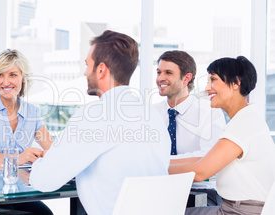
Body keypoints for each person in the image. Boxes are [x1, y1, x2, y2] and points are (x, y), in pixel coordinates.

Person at [29, 30, 171, 215]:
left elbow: (44, 180)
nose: (85, 72)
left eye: (88, 65)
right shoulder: (153, 116)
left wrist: (38, 163)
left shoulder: (93, 115)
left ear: (101, 69)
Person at [169, 56, 275, 215]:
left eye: (213, 80)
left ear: (236, 83)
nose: (207, 88)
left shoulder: (244, 124)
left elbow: (201, 172)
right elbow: (205, 159)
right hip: (232, 208)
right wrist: (160, 162)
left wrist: (157, 168)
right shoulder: (244, 120)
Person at [0, 49, 54, 214]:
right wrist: (14, 160)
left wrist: (42, 156)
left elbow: (52, 149)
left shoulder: (32, 112)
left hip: (17, 192)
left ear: (23, 78)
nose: (5, 82)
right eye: (0, 75)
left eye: (12, 75)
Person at [153, 50, 226, 206]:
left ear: (186, 78)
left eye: (168, 73)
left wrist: (160, 163)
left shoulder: (209, 112)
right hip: (158, 190)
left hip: (198, 192)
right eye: (158, 72)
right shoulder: (151, 114)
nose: (160, 78)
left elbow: (208, 158)